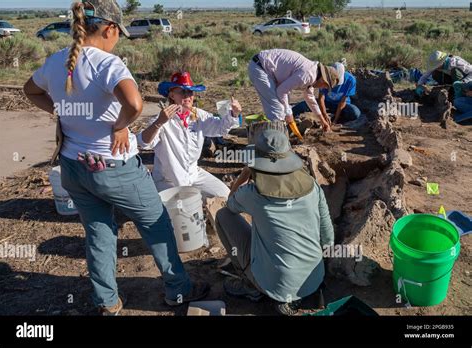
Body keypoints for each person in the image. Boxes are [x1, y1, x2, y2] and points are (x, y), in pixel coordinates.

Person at [23, 0, 208, 315]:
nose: (118, 38)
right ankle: (178, 290)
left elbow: (31, 90)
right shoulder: (107, 63)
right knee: (156, 223)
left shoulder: (57, 61)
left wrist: (61, 111)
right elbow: (134, 103)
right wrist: (120, 126)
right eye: (118, 32)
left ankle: (107, 301)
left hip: (73, 165)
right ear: (109, 28)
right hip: (114, 165)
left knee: (98, 230)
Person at [214, 129, 335, 316]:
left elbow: (230, 204)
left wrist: (244, 175)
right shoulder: (312, 185)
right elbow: (327, 236)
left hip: (277, 285)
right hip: (314, 277)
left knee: (222, 216)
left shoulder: (252, 194)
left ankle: (251, 287)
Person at [137, 71, 241, 199]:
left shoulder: (199, 115)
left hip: (194, 174)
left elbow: (220, 128)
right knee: (182, 210)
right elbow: (144, 142)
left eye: (190, 92)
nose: (187, 96)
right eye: (182, 91)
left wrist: (234, 114)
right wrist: (159, 122)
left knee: (225, 196)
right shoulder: (162, 118)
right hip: (168, 180)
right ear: (171, 94)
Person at [248, 48, 340, 131]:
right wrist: (289, 114)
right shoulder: (308, 75)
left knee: (284, 106)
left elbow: (310, 99)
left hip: (267, 69)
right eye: (325, 86)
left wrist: (322, 121)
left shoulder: (313, 75)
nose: (323, 88)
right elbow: (281, 91)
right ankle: (276, 143)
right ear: (323, 80)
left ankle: (281, 133)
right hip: (260, 67)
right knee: (277, 110)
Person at [292, 62, 361, 125]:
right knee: (305, 104)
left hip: (341, 106)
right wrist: (324, 115)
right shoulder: (325, 78)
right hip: (327, 103)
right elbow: (321, 98)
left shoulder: (350, 80)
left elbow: (342, 102)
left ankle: (336, 117)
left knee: (355, 112)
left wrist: (335, 120)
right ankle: (288, 115)